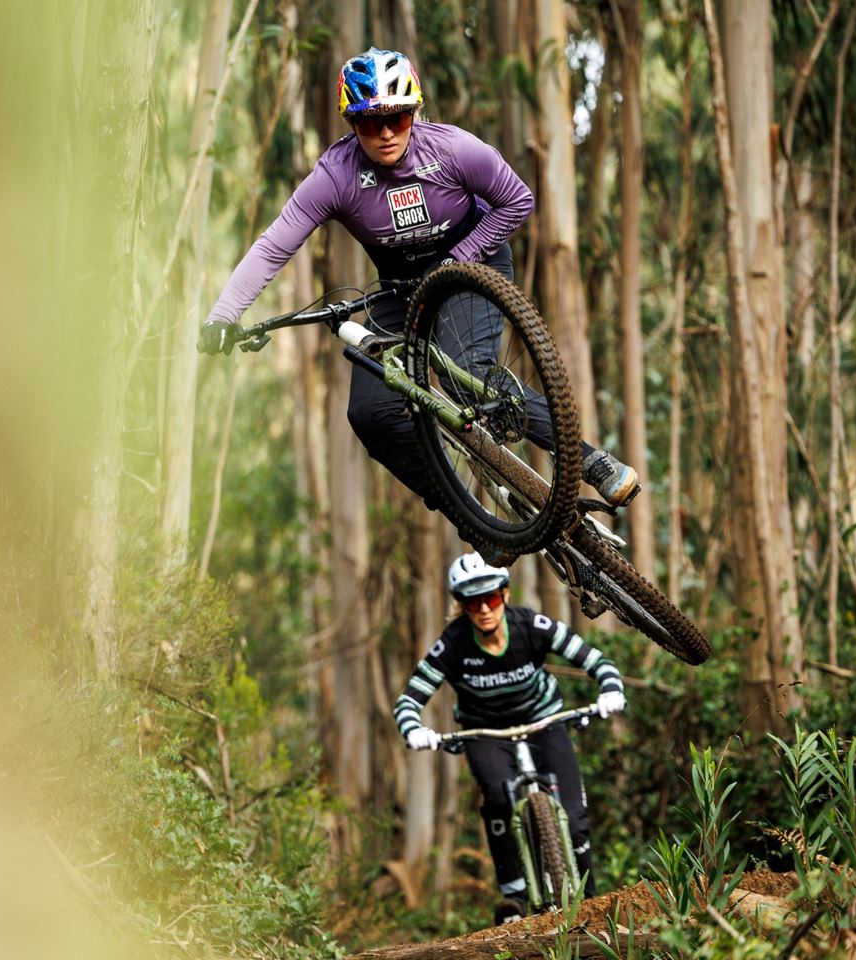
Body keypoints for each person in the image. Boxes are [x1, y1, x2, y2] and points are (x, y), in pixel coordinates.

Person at [197, 46, 640, 535]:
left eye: (398, 118)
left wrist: (459, 257)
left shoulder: (453, 150)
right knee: (370, 414)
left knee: (461, 376)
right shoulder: (336, 176)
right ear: (351, 123)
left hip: (473, 262)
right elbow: (273, 245)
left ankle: (592, 462)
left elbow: (517, 199)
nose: (386, 133)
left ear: (414, 113)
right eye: (369, 123)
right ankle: (468, 516)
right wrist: (223, 315)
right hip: (401, 288)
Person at [392, 551, 626, 924]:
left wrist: (610, 690)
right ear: (461, 606)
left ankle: (590, 897)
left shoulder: (531, 625)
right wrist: (414, 730)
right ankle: (514, 896)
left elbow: (597, 660)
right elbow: (409, 700)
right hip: (485, 731)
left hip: (544, 720)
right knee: (500, 797)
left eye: (491, 597)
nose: (484, 609)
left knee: (575, 816)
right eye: (472, 601)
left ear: (505, 594)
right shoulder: (452, 645)